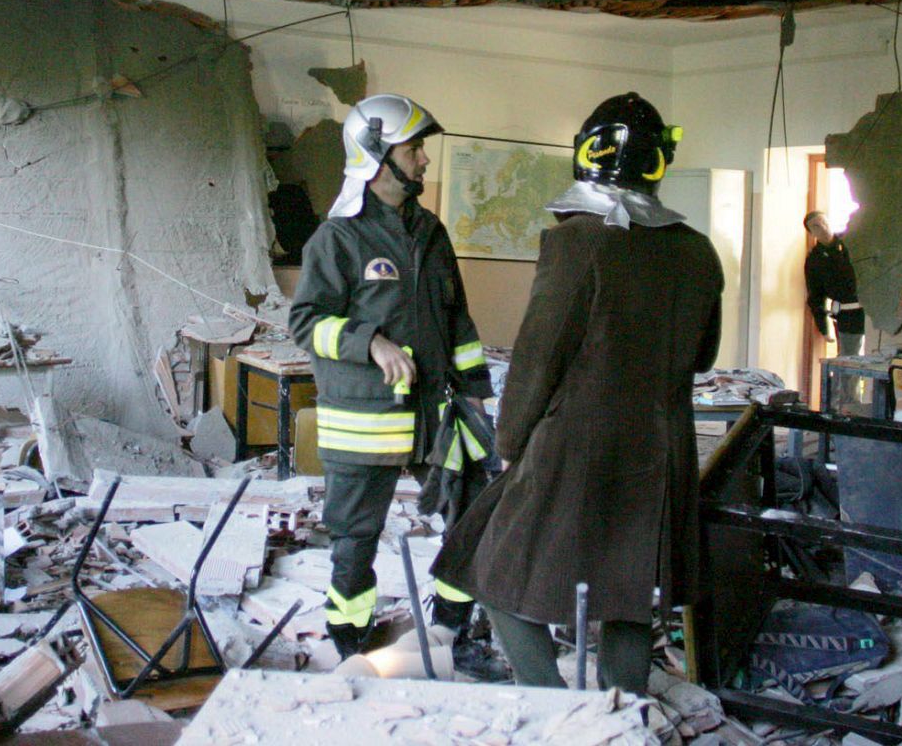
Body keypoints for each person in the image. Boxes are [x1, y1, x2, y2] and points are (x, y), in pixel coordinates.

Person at [432, 92, 723, 694]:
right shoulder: (697, 251)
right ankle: (620, 713)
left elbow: (540, 357)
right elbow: (704, 356)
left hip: (576, 445)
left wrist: (510, 440)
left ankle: (549, 701)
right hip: (662, 448)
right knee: (630, 592)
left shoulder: (578, 242)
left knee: (489, 567)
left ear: (587, 155)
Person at [288, 93, 505, 679]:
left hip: (439, 413)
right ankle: (350, 642)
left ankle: (452, 626)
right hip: (365, 419)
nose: (425, 161)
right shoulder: (338, 239)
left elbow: (458, 320)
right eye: (415, 150)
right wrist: (369, 342)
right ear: (378, 155)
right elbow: (305, 321)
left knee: (470, 515)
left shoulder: (430, 232)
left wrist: (476, 393)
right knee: (355, 539)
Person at [803, 210, 864, 357]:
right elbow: (815, 296)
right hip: (847, 314)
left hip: (872, 307)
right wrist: (824, 328)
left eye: (824, 222)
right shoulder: (814, 260)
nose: (822, 228)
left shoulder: (852, 241)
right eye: (816, 226)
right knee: (849, 359)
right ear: (811, 233)